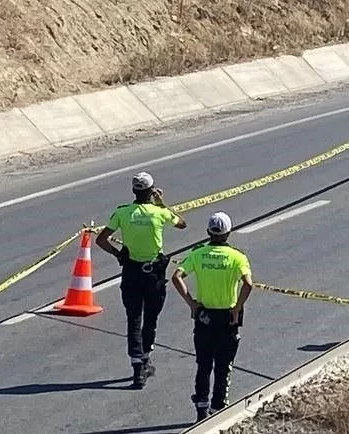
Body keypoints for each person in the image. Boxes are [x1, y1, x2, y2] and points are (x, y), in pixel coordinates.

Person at [95, 172, 187, 389]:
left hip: (132, 272)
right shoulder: (158, 213)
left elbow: (101, 239)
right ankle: (145, 358)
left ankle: (137, 365)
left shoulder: (123, 212)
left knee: (133, 318)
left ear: (134, 191)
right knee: (151, 318)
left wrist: (118, 254)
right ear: (152, 190)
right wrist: (162, 203)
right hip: (153, 273)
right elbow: (182, 223)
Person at [172, 212, 254, 423]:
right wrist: (237, 308)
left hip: (204, 316)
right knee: (223, 366)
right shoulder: (238, 256)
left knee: (203, 364)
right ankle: (218, 407)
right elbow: (248, 284)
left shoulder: (198, 254)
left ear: (208, 232)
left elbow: (176, 276)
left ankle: (201, 406)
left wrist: (191, 303)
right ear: (228, 233)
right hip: (228, 317)